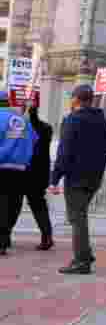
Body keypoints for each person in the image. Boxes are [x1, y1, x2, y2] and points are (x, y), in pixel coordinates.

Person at [49, 84, 106, 274]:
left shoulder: (73, 120)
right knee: (79, 215)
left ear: (76, 99)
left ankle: (81, 260)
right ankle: (85, 254)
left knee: (77, 218)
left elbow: (64, 152)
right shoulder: (100, 118)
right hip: (95, 176)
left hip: (77, 177)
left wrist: (54, 179)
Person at [6, 103, 54, 252]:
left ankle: (5, 236)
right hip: (40, 174)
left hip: (23, 171)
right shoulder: (47, 128)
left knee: (13, 205)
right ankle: (47, 235)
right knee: (39, 206)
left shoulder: (21, 128)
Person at [0, 105, 38, 256]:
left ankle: (1, 240)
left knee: (2, 203)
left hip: (2, 165)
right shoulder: (23, 120)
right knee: (14, 202)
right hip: (20, 167)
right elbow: (35, 139)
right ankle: (6, 234)